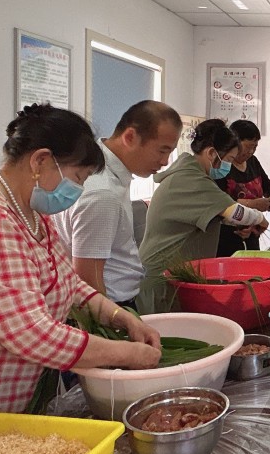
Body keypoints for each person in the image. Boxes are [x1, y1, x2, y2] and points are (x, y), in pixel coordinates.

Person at [0, 104, 161, 413]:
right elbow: (34, 335)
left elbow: (70, 284)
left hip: (25, 398)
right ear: (40, 161)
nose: (78, 189)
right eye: (78, 177)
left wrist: (120, 317)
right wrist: (128, 354)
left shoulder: (33, 212)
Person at [57, 101, 183, 310]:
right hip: (108, 305)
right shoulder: (103, 193)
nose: (165, 161)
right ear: (130, 137)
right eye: (162, 151)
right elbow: (89, 281)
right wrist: (110, 323)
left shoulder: (108, 174)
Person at [138, 119, 268, 313]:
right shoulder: (192, 179)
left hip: (174, 274)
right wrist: (260, 219)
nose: (229, 166)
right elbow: (235, 212)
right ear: (211, 153)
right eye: (229, 160)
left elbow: (217, 214)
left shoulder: (191, 174)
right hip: (163, 279)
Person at [215, 120, 270, 256]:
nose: (251, 152)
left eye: (255, 147)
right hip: (227, 236)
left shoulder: (253, 162)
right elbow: (222, 203)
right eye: (248, 147)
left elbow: (268, 186)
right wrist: (253, 205)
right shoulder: (222, 167)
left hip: (253, 231)